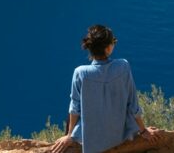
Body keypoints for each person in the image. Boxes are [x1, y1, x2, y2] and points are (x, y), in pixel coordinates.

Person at [51, 25, 162, 153]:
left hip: (92, 142)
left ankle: (72, 137)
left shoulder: (80, 73)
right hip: (118, 136)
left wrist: (69, 136)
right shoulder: (123, 66)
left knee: (73, 108)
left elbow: (74, 109)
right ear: (108, 48)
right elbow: (133, 103)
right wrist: (143, 130)